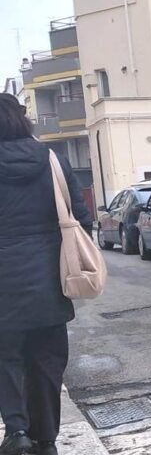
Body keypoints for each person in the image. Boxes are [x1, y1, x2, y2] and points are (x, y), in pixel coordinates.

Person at [0, 93, 92, 455]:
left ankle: (17, 431)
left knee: (6, 357)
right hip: (51, 283)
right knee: (48, 362)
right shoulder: (53, 161)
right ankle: (46, 440)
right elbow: (81, 219)